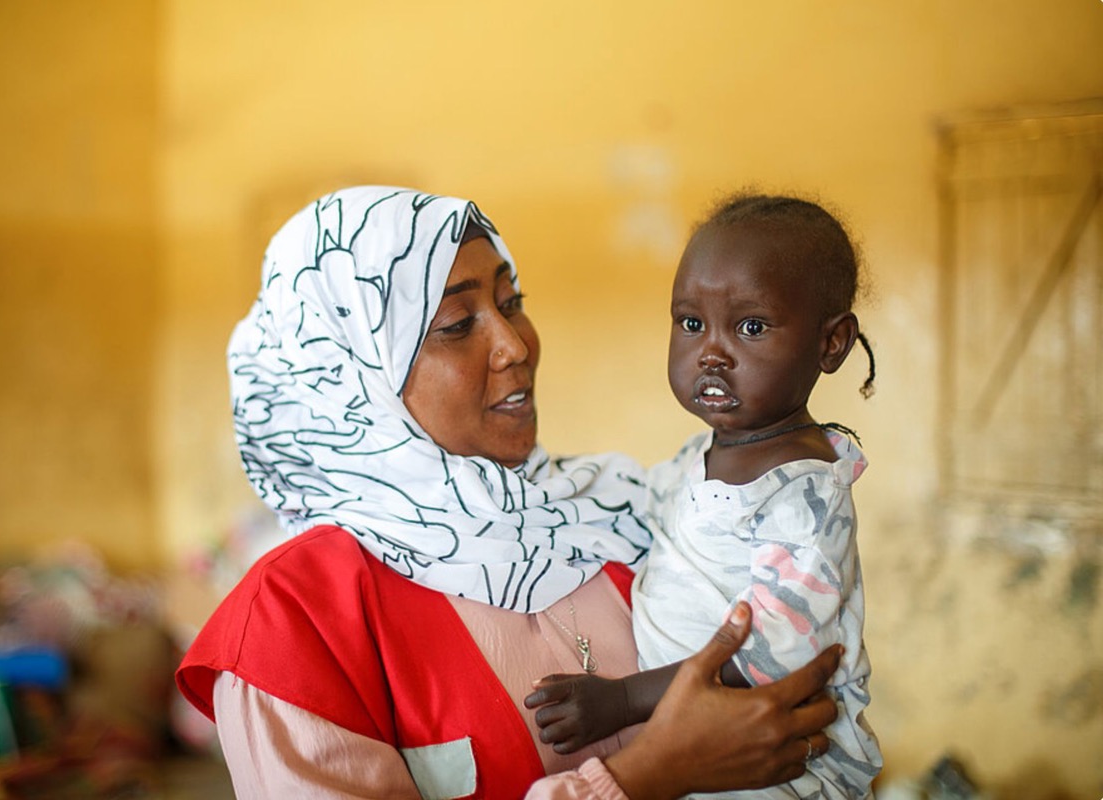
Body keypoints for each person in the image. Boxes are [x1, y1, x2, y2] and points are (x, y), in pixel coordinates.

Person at [176, 186, 844, 799]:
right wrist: (643, 776)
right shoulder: (293, 623)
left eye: (511, 303)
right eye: (456, 324)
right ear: (352, 375)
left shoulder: (619, 513)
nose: (515, 345)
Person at [524, 194, 883, 799]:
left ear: (832, 343)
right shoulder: (702, 456)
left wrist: (623, 700)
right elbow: (635, 497)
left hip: (780, 770)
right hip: (703, 757)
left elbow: (775, 655)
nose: (711, 352)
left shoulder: (804, 499)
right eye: (691, 323)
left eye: (751, 326)